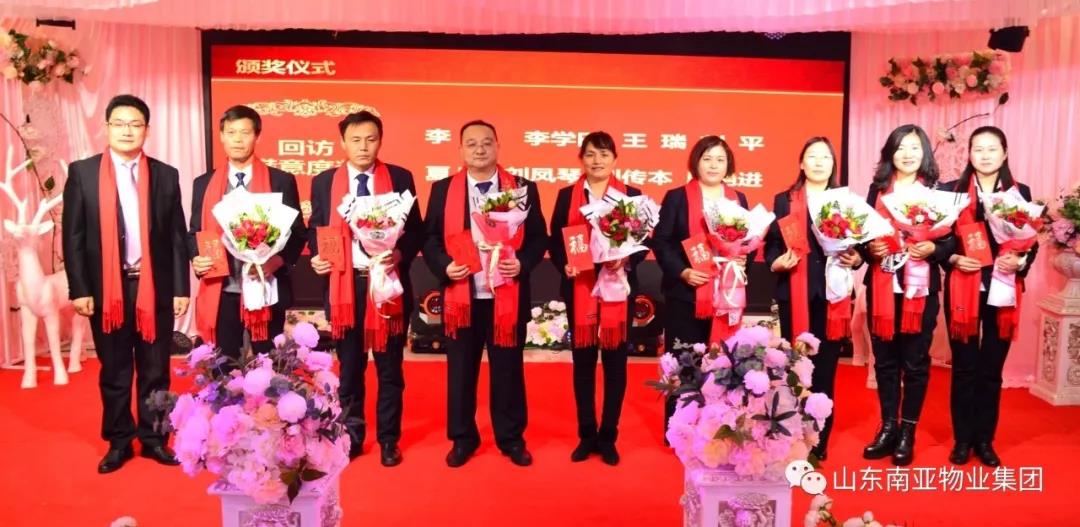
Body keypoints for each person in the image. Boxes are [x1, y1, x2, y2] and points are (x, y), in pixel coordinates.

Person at [62, 94, 191, 473]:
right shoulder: (83, 173)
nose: (127, 131)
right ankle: (119, 441)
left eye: (135, 124)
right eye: (119, 124)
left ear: (147, 130)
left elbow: (176, 236)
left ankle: (155, 439)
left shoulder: (165, 175)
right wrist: (80, 288)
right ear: (106, 127)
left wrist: (181, 288)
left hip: (155, 288)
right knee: (115, 370)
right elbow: (73, 236)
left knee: (156, 370)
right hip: (107, 291)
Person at [422, 119, 548, 468]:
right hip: (462, 296)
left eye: (487, 142)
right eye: (472, 143)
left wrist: (522, 263)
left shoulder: (522, 188)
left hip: (507, 294)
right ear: (461, 149)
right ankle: (462, 438)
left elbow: (539, 237)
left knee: (508, 370)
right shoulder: (443, 190)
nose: (480, 149)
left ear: (497, 146)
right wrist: (444, 266)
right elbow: (430, 238)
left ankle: (511, 439)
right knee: (461, 371)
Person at [307, 110, 423, 467]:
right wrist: (317, 255)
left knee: (390, 369)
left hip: (387, 284)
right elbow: (316, 227)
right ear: (342, 142)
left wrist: (398, 254)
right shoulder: (324, 182)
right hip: (346, 287)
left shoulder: (400, 177)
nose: (363, 146)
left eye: (370, 139)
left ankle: (389, 439)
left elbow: (416, 230)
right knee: (350, 369)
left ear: (380, 141)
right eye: (355, 140)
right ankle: (352, 437)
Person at [940, 126, 1037, 467]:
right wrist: (953, 257)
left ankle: (984, 440)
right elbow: (939, 240)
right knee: (964, 367)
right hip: (963, 286)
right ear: (969, 154)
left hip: (1003, 287)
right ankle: (962, 440)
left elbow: (1031, 242)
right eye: (978, 149)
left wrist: (1020, 261)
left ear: (1004, 153)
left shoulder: (1019, 192)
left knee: (992, 368)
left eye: (992, 148)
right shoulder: (951, 191)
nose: (984, 155)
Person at [861, 124, 956, 466]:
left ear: (925, 152)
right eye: (900, 147)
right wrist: (869, 249)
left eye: (914, 147)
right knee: (885, 361)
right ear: (890, 153)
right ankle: (888, 427)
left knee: (915, 363)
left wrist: (934, 248)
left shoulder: (938, 192)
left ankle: (908, 432)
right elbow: (862, 236)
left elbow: (952, 240)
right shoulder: (877, 191)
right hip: (883, 286)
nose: (907, 154)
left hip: (921, 289)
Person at [549, 131, 645, 465]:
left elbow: (643, 242)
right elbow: (555, 239)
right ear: (581, 159)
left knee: (616, 366)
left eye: (604, 154)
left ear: (615, 159)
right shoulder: (567, 196)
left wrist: (626, 258)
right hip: (581, 290)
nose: (597, 160)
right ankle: (586, 434)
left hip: (618, 290)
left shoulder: (632, 196)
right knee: (584, 365)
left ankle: (608, 435)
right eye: (590, 154)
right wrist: (565, 264)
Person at [764, 136, 862, 461]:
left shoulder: (845, 201)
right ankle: (790, 434)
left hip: (831, 296)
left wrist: (857, 258)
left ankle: (819, 437)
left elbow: (859, 246)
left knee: (825, 370)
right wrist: (775, 263)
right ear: (802, 163)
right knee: (793, 367)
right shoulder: (784, 200)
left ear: (833, 164)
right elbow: (771, 245)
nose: (819, 162)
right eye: (812, 156)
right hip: (794, 293)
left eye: (825, 157)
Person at [188, 105, 306, 364]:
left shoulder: (280, 180)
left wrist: (275, 261)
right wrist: (196, 257)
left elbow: (298, 233)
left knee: (268, 367)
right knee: (222, 367)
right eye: (231, 132)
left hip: (266, 289)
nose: (238, 139)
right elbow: (194, 232)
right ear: (221, 136)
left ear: (257, 136)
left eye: (245, 132)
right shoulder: (203, 183)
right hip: (221, 290)